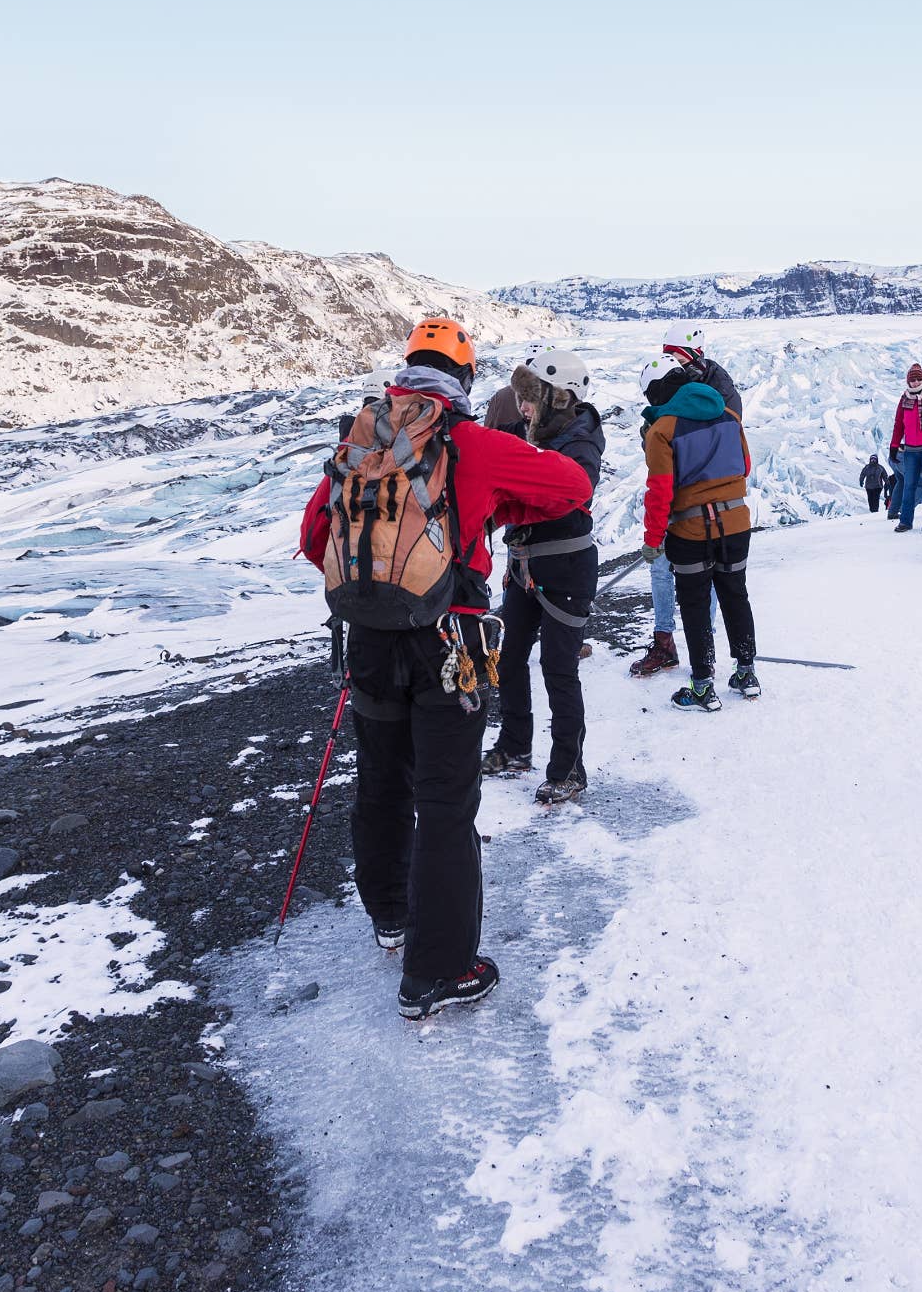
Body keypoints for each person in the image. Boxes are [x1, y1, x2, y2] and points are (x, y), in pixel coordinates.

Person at [299, 318, 590, 1019]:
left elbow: (315, 540)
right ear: (462, 380)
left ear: (405, 374)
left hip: (367, 641)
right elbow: (573, 486)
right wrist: (487, 510)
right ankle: (438, 972)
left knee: (381, 782)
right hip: (449, 644)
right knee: (447, 802)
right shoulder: (474, 445)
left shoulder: (359, 442)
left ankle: (391, 915)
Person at [486, 348, 603, 804]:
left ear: (559, 396)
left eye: (531, 397)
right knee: (511, 658)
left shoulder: (581, 438)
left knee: (558, 668)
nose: (524, 407)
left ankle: (569, 769)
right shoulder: (538, 431)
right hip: (526, 564)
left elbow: (571, 488)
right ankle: (515, 748)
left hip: (566, 568)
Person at [641, 358, 759, 710]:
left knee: (694, 605)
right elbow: (745, 466)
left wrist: (652, 540)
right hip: (736, 523)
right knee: (735, 595)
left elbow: (660, 491)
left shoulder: (662, 429)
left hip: (691, 531)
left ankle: (703, 685)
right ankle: (746, 672)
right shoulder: (729, 417)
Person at [630, 326, 742, 677]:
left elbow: (725, 451)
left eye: (676, 354)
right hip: (701, 507)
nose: (672, 359)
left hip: (696, 508)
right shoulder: (682, 403)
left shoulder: (717, 393)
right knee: (666, 571)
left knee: (698, 583)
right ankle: (668, 642)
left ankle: (699, 652)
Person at [887, 365, 922, 534]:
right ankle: (905, 521)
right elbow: (899, 425)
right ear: (908, 381)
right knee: (909, 485)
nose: (916, 382)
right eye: (913, 379)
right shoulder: (904, 399)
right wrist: (894, 446)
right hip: (910, 450)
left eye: (918, 378)